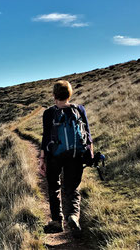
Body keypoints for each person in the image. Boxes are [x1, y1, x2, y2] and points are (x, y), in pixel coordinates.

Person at [39, 80, 93, 235]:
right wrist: (89, 154)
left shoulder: (49, 113)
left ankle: (57, 221)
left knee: (54, 187)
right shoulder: (79, 109)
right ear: (70, 94)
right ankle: (73, 216)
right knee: (72, 188)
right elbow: (88, 135)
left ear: (54, 95)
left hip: (54, 155)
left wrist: (42, 159)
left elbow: (46, 137)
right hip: (75, 154)